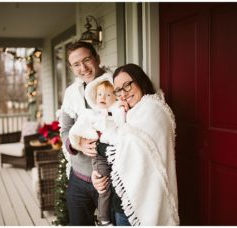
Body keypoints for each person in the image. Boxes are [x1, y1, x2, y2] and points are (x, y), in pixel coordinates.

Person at [91, 64, 179, 226]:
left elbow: (120, 150)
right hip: (122, 201)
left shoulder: (152, 110)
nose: (123, 94)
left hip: (142, 202)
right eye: (118, 90)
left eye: (127, 85)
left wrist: (98, 146)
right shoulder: (130, 112)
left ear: (140, 81)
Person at [58, 41, 113, 225]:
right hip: (79, 179)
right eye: (76, 64)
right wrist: (77, 144)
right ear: (71, 68)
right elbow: (65, 130)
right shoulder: (71, 93)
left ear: (97, 58)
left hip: (109, 180)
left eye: (87, 59)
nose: (83, 68)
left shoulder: (113, 84)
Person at [68, 77, 125, 226]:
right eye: (100, 95)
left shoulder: (117, 111)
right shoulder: (91, 113)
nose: (103, 98)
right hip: (98, 157)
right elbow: (74, 130)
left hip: (116, 156)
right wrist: (78, 143)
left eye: (107, 95)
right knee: (104, 188)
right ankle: (104, 219)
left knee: (115, 185)